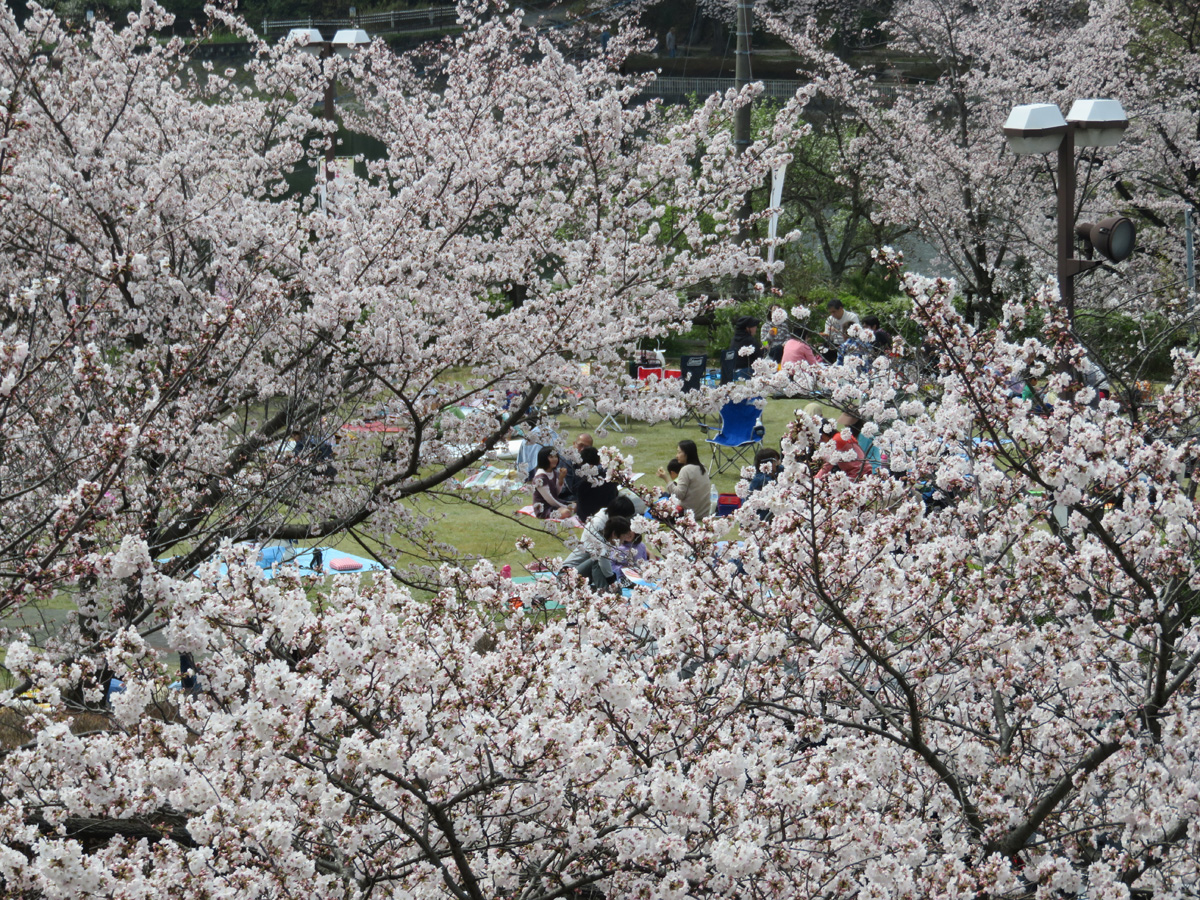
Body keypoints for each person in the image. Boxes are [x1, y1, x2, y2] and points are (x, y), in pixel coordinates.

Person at [657, 439, 712, 519]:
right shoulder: (703, 467)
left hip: (688, 514)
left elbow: (678, 495)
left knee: (659, 505)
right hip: (704, 513)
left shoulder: (686, 470)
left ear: (687, 454)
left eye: (679, 452)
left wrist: (666, 478)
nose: (677, 455)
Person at [572, 445, 617, 522]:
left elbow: (575, 491)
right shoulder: (609, 476)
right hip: (607, 514)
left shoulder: (581, 478)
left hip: (585, 515)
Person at [530, 445, 574, 519]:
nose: (555, 459)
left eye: (556, 457)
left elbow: (556, 492)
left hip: (555, 503)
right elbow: (550, 499)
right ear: (544, 459)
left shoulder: (554, 472)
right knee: (566, 512)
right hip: (544, 507)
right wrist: (565, 506)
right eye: (551, 457)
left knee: (575, 505)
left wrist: (561, 479)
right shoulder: (540, 478)